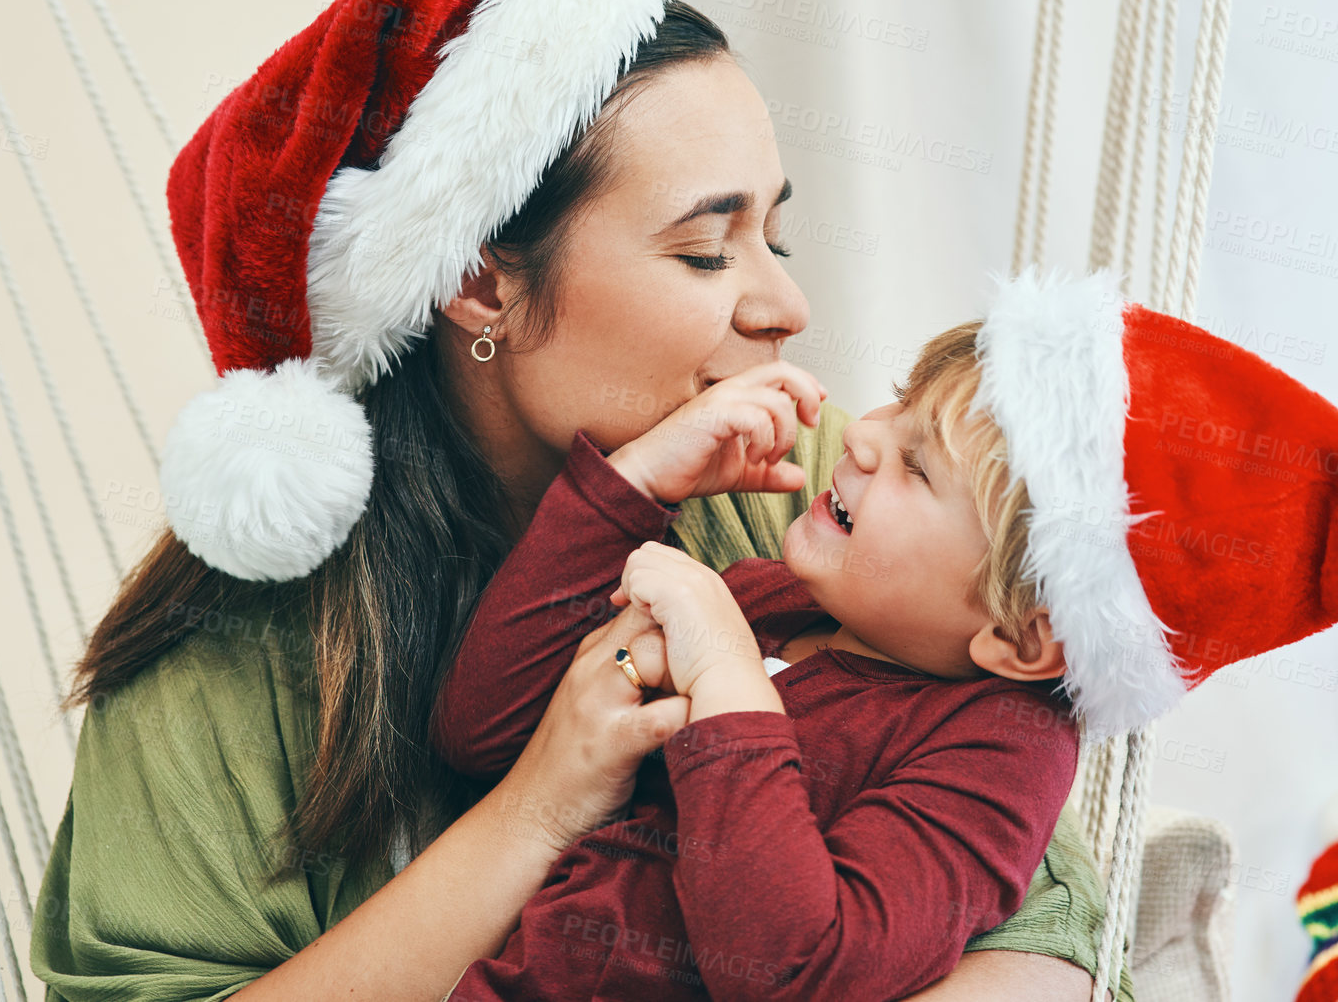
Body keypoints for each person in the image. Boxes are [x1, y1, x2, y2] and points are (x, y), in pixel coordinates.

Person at [31, 0, 1131, 1002]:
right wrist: (543, 802)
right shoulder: (225, 661)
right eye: (707, 252)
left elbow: (1038, 905)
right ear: (478, 281)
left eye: (777, 233)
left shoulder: (806, 481)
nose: (787, 309)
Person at [433, 346, 1079, 1000]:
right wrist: (634, 484)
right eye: (901, 400)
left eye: (917, 464)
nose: (859, 432)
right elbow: (480, 729)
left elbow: (798, 969)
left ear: (1018, 635)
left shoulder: (1002, 747)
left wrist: (725, 673)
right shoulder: (767, 599)